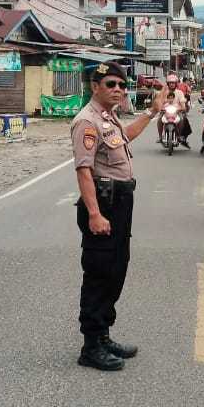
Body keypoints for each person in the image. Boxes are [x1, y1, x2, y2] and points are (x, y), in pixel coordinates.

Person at [71, 63, 165, 372]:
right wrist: (95, 214)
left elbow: (127, 136)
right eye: (111, 83)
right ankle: (91, 346)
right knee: (99, 272)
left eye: (122, 86)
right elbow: (84, 171)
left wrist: (152, 112)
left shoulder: (108, 119)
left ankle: (104, 335)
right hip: (104, 202)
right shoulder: (86, 121)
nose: (118, 89)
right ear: (95, 86)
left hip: (120, 201)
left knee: (116, 268)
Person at [157, 71, 192, 146]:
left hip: (177, 112)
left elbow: (183, 104)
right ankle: (160, 137)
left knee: (182, 119)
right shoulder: (164, 92)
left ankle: (179, 135)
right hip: (165, 111)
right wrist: (160, 108)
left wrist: (183, 108)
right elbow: (160, 102)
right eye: (170, 83)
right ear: (168, 84)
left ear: (176, 84)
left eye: (173, 83)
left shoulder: (179, 93)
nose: (172, 84)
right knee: (159, 119)